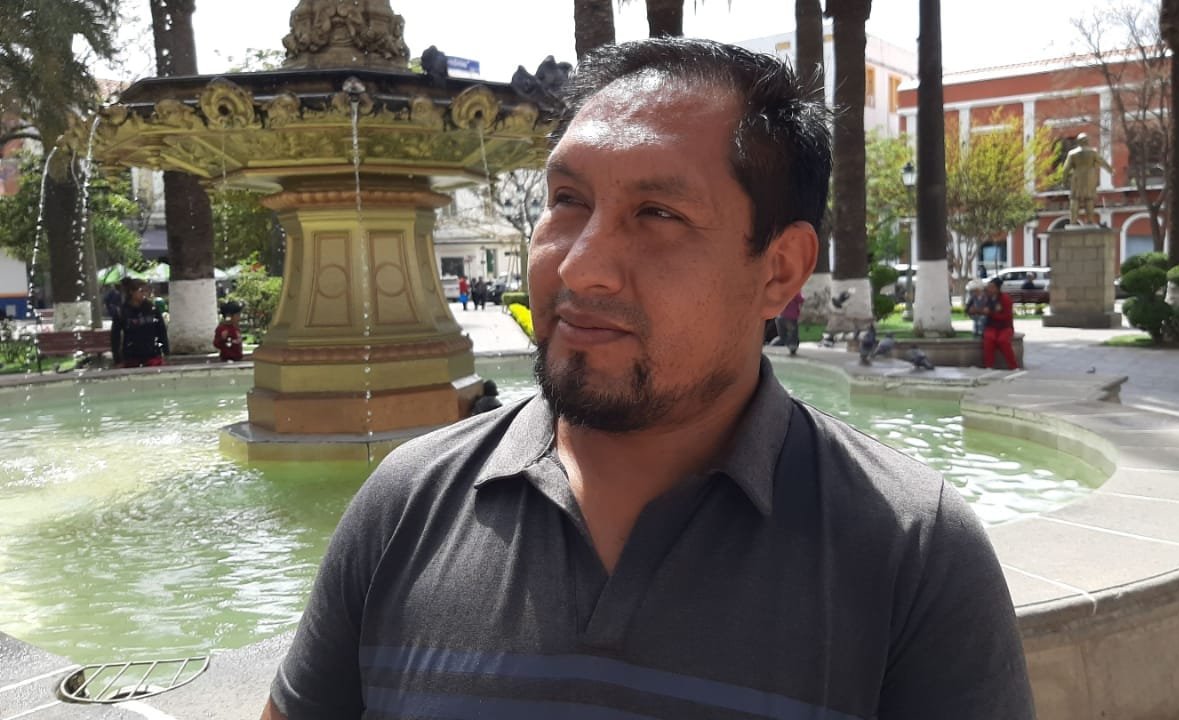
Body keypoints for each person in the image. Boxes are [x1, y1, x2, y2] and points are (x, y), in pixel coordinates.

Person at [263, 38, 1033, 720]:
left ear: (780, 269)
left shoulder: (913, 552)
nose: (580, 267)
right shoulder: (405, 504)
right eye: (568, 200)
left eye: (657, 213)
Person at [111, 277, 168, 368]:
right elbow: (115, 337)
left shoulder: (152, 309)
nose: (144, 294)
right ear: (131, 292)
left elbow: (161, 331)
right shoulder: (122, 312)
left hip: (152, 355)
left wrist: (165, 352)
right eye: (141, 291)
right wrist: (117, 359)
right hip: (131, 356)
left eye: (146, 291)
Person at [1065, 132, 1113, 225]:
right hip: (1089, 178)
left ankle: (1073, 221)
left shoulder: (1072, 153)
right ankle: (1090, 220)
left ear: (1078, 141)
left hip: (1077, 178)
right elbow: (1102, 162)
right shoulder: (1093, 152)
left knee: (1074, 199)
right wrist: (1110, 170)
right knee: (1089, 199)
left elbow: (1066, 168)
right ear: (1087, 141)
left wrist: (1064, 180)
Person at [982, 277, 1019, 370]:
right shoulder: (986, 298)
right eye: (988, 287)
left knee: (1003, 341)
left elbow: (1006, 316)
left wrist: (991, 313)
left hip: (1005, 327)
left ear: (997, 289)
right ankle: (989, 366)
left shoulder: (1005, 299)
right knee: (989, 339)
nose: (989, 289)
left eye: (992, 287)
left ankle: (1013, 366)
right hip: (991, 326)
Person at [773, 291, 803, 355]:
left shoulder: (782, 291)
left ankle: (789, 345)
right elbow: (801, 300)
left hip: (781, 316)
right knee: (793, 333)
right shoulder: (795, 291)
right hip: (791, 317)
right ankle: (792, 347)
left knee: (783, 334)